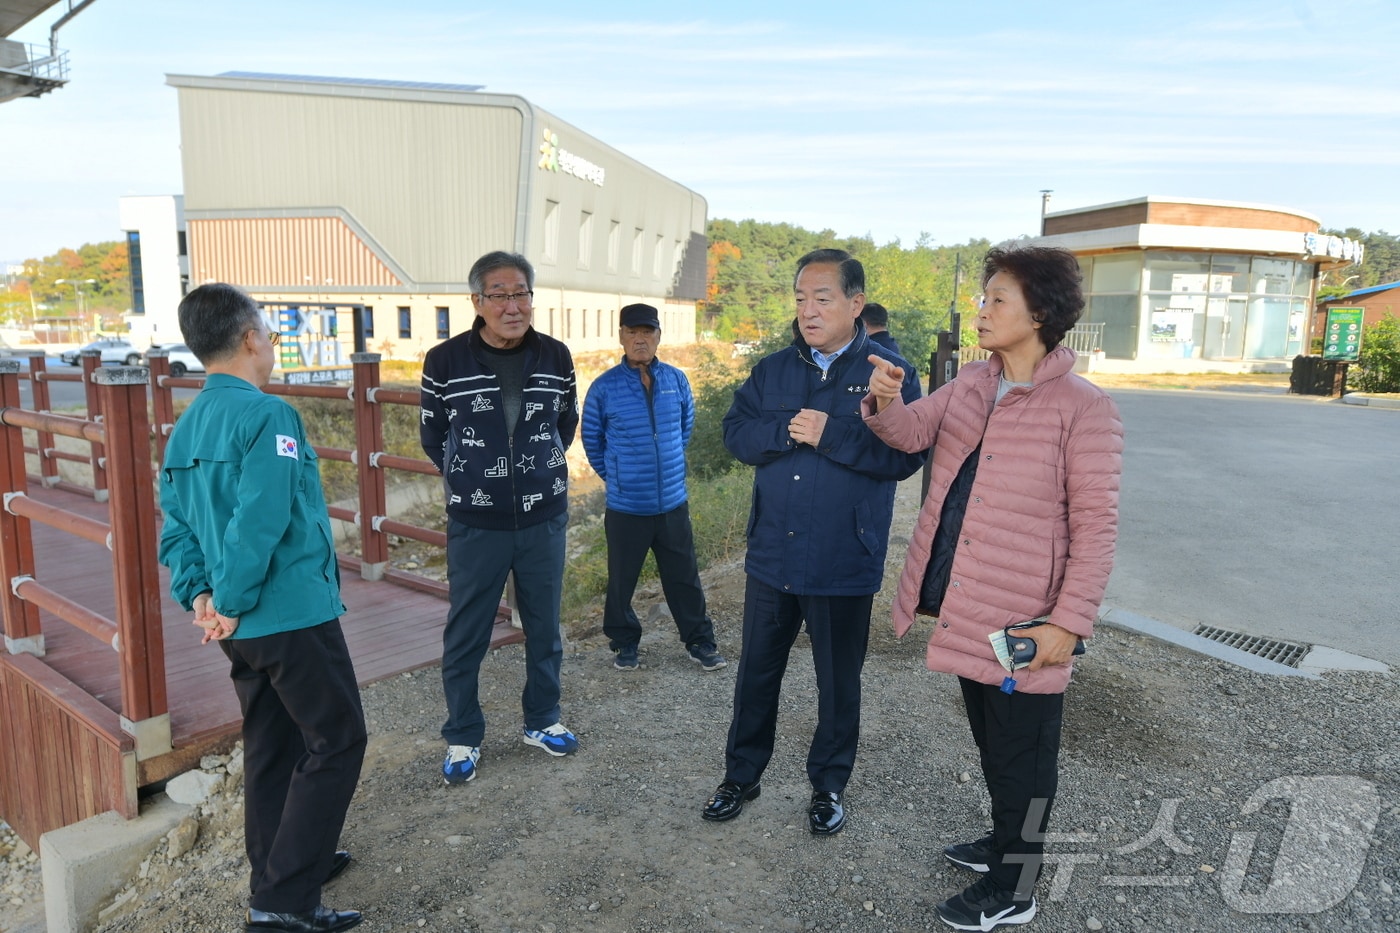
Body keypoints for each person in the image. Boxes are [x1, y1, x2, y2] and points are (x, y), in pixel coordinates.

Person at [861, 244, 1123, 930]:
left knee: (1025, 753)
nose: (983, 310)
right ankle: (1007, 844)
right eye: (984, 297)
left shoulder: (1083, 408)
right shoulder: (976, 383)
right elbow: (912, 432)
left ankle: (1018, 883)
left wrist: (1069, 624)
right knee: (992, 739)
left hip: (1029, 618)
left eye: (997, 299)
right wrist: (885, 402)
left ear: (1039, 313)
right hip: (969, 600)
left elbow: (1097, 529)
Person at [158, 283, 366, 933]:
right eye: (269, 336)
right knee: (338, 738)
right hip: (286, 613)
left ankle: (278, 867)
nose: (270, 347)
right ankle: (283, 901)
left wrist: (203, 595)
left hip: (235, 623)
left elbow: (177, 530)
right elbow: (263, 517)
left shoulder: (184, 427)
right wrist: (235, 600)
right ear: (250, 339)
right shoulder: (267, 416)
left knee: (273, 742)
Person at [701, 248, 926, 836]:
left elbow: (907, 455)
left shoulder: (889, 373)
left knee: (837, 682)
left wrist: (832, 435)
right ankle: (740, 776)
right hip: (772, 555)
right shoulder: (773, 369)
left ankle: (828, 786)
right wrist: (787, 429)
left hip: (843, 557)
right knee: (755, 675)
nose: (808, 310)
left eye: (822, 298)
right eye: (800, 298)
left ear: (856, 304)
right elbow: (736, 433)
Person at [420, 250, 580, 786]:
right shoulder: (443, 361)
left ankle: (542, 719)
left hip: (542, 518)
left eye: (522, 294)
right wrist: (474, 480)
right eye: (500, 295)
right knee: (466, 632)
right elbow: (432, 435)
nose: (513, 305)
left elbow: (564, 423)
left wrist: (535, 476)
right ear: (477, 302)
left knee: (544, 626)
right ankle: (463, 735)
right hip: (476, 522)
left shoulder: (556, 356)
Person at [581, 302, 726, 672]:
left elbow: (684, 427)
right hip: (627, 505)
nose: (640, 339)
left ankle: (700, 642)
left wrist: (668, 469)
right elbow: (593, 441)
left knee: (684, 578)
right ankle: (624, 642)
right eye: (632, 332)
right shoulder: (604, 387)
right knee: (621, 581)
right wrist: (618, 477)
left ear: (659, 336)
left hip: (672, 502)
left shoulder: (676, 380)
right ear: (621, 337)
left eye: (647, 332)